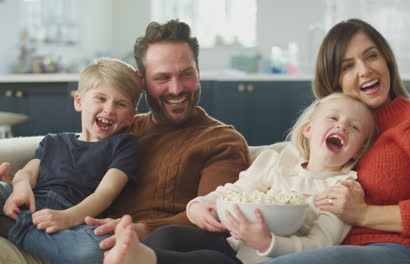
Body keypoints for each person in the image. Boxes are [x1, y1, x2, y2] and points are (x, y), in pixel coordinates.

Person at [0, 20, 250, 263]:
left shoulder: (221, 142)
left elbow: (213, 218)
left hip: (155, 246)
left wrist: (142, 229)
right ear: (141, 81)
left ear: (198, 72)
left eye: (186, 75)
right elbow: (67, 169)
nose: (176, 89)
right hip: (82, 232)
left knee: (164, 238)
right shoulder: (121, 126)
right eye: (162, 78)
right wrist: (13, 183)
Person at [261, 18, 410, 264]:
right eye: (347, 66)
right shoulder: (324, 129)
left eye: (371, 56)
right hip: (321, 247)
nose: (364, 70)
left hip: (402, 250)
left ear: (387, 61)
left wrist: (363, 214)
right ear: (334, 81)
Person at [101, 92, 378, 264]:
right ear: (308, 130)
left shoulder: (343, 190)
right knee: (170, 235)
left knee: (207, 261)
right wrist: (198, 205)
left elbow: (320, 244)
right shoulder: (275, 161)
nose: (341, 126)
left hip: (262, 257)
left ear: (359, 149)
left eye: (354, 127)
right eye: (332, 118)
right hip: (231, 242)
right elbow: (236, 190)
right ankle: (140, 256)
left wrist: (267, 242)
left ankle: (143, 259)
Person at [0, 57, 142, 263]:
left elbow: (105, 194)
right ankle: (23, 229)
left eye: (120, 104)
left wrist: (67, 218)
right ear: (79, 101)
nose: (109, 109)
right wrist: (21, 187)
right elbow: (27, 172)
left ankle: (14, 229)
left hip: (73, 219)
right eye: (101, 98)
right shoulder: (53, 141)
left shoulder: (124, 145)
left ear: (130, 116)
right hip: (29, 203)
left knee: (98, 248)